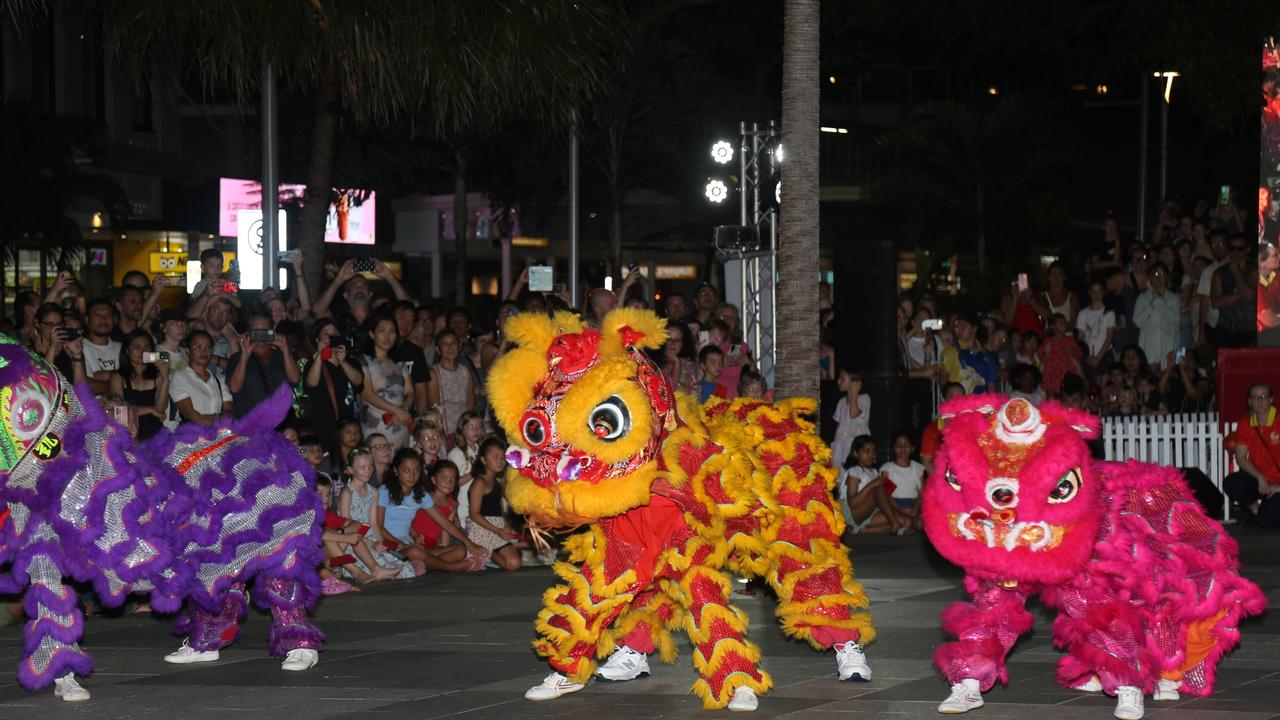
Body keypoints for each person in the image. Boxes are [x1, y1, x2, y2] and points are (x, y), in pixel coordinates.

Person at [373, 449, 486, 565]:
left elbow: (444, 522)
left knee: (460, 550)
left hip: (409, 544)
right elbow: (378, 527)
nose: (412, 476)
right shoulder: (384, 491)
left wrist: (469, 544)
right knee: (415, 552)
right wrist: (401, 545)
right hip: (387, 543)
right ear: (396, 471)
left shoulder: (420, 494)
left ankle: (426, 564)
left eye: (416, 471)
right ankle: (451, 567)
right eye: (406, 470)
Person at [334, 449, 419, 579]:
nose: (368, 470)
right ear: (351, 470)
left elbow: (374, 523)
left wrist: (380, 542)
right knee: (397, 570)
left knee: (407, 568)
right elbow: (348, 528)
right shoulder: (347, 493)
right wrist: (371, 544)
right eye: (362, 467)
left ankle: (387, 567)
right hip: (355, 542)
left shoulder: (373, 492)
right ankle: (370, 570)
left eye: (370, 466)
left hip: (371, 538)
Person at [315, 475, 403, 584]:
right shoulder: (304, 515)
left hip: (333, 560)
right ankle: (356, 573)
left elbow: (357, 525)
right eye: (319, 493)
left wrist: (343, 533)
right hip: (315, 562)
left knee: (353, 535)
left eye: (328, 494)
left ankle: (376, 569)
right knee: (329, 538)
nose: (325, 498)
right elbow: (317, 533)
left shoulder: (328, 515)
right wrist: (345, 537)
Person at [1223, 383, 1280, 528]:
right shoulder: (1245, 423)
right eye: (1254, 398)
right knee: (1231, 483)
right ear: (1249, 402)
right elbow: (1240, 457)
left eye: (1263, 397)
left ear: (1271, 400)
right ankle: (1256, 509)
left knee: (1267, 523)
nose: (1259, 401)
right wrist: (1259, 477)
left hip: (1278, 484)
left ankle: (1265, 515)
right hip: (1259, 480)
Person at [227, 313, 300, 419]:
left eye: (265, 330)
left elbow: (295, 379)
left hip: (280, 422)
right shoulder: (237, 358)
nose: (261, 335)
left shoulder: (280, 355)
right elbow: (234, 388)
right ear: (248, 332)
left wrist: (285, 348)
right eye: (256, 330)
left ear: (272, 331)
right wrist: (244, 357)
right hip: (251, 423)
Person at [465, 438, 523, 571]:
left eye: (502, 457)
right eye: (495, 457)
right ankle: (489, 554)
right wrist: (497, 531)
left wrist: (506, 523)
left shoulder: (497, 482)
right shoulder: (479, 482)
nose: (500, 460)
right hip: (483, 529)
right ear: (484, 460)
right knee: (513, 564)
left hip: (498, 527)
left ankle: (490, 554)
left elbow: (500, 509)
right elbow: (474, 514)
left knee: (519, 558)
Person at [838, 435, 913, 538]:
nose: (871, 455)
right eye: (866, 451)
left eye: (873, 452)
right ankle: (895, 524)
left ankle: (860, 531)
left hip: (871, 512)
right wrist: (872, 485)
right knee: (878, 488)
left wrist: (902, 510)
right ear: (856, 453)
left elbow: (889, 495)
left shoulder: (874, 472)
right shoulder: (854, 472)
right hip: (854, 513)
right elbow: (853, 503)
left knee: (907, 522)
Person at [304, 319, 362, 448]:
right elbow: (311, 383)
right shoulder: (312, 365)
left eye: (335, 332)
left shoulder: (351, 362)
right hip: (323, 428)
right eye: (325, 333)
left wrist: (343, 362)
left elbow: (358, 381)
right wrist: (320, 355)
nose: (331, 336)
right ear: (317, 341)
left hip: (350, 429)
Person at [359, 313, 413, 451]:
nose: (387, 336)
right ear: (372, 334)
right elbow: (367, 394)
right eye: (382, 330)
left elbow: (410, 392)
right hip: (376, 425)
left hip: (399, 424)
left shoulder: (400, 364)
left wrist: (404, 411)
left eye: (392, 332)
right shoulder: (363, 360)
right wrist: (398, 411)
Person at [108, 330, 171, 441]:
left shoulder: (157, 375)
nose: (143, 351)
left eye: (147, 347)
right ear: (127, 351)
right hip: (129, 435)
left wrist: (165, 378)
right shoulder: (118, 377)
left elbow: (161, 408)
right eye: (137, 347)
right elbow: (120, 412)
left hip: (155, 434)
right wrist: (150, 410)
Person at [169, 330, 232, 426]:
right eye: (198, 347)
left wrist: (212, 419)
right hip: (192, 435)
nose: (204, 351)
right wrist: (217, 418)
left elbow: (228, 411)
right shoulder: (180, 377)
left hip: (218, 434)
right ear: (188, 351)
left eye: (208, 347)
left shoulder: (219, 380)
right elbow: (190, 414)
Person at [1210, 235, 1258, 348]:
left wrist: (1236, 272)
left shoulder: (1256, 269)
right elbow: (1215, 302)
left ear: (1247, 249)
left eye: (1240, 248)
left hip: (1250, 332)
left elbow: (1250, 295)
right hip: (1226, 330)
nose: (1235, 252)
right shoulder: (1220, 272)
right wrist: (1241, 294)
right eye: (1232, 248)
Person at [27, 303, 87, 383]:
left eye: (59, 324)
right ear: (38, 324)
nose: (55, 328)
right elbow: (41, 382)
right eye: (49, 324)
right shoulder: (29, 353)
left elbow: (82, 387)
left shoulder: (68, 349)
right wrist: (52, 347)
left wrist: (76, 355)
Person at [879, 431, 925, 529]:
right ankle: (904, 523)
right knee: (907, 522)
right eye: (898, 445)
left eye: (906, 445)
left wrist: (916, 507)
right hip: (895, 505)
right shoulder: (887, 468)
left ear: (912, 448)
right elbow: (887, 495)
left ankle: (909, 524)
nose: (903, 449)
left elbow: (921, 493)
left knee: (921, 524)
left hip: (914, 504)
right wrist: (901, 510)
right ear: (894, 449)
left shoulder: (918, 468)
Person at [431, 329, 475, 434]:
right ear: (438, 349)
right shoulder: (434, 373)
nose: (450, 347)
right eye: (445, 344)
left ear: (459, 346)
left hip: (464, 429)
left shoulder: (465, 371)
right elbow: (435, 407)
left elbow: (470, 404)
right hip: (444, 430)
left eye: (453, 343)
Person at [830, 364, 871, 470]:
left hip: (856, 446)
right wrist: (833, 450)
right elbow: (838, 428)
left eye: (842, 379)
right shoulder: (841, 402)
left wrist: (854, 393)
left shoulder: (864, 399)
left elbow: (853, 414)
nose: (838, 381)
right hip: (841, 447)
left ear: (854, 382)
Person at [1075, 280, 1116, 381]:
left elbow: (1109, 337)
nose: (1096, 294)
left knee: (1105, 386)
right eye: (1093, 291)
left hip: (1104, 354)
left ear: (1103, 292)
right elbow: (1080, 338)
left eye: (1099, 291)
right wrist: (1087, 356)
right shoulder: (1083, 314)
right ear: (1089, 293)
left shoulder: (1109, 313)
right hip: (1088, 356)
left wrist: (1098, 358)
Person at [80, 298, 121, 396]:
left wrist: (102, 377)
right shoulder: (78, 347)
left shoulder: (122, 347)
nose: (103, 319)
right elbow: (88, 388)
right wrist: (121, 382)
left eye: (108, 315)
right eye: (98, 315)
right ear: (87, 320)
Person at [1037, 313, 1082, 398]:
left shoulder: (1071, 340)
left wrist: (1073, 354)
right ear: (1052, 327)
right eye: (1060, 322)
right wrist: (1047, 354)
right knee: (1051, 404)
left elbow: (1078, 358)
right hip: (1052, 378)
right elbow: (1041, 360)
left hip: (1068, 377)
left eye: (1064, 322)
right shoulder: (1048, 341)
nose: (1063, 324)